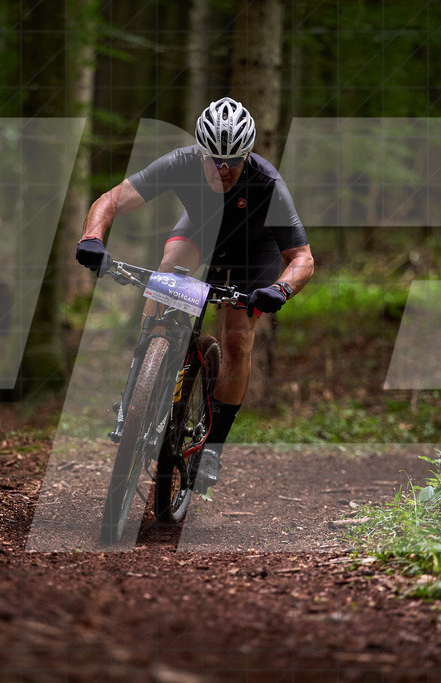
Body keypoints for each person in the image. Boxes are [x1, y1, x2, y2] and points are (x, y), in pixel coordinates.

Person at [76, 97, 314, 494]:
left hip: (254, 252)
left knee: (237, 338)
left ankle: (213, 447)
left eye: (233, 162)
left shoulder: (267, 182)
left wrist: (280, 288)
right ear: (200, 152)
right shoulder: (180, 162)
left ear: (247, 155)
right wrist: (91, 237)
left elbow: (302, 257)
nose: (223, 171)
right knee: (166, 271)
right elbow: (111, 199)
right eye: (213, 161)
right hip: (201, 232)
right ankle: (146, 372)